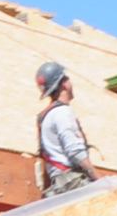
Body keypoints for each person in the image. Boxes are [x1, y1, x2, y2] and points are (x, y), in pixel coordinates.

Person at [33, 61, 98, 196]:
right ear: (64, 83)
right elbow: (75, 152)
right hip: (72, 183)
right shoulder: (62, 112)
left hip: (60, 185)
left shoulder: (46, 116)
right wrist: (99, 180)